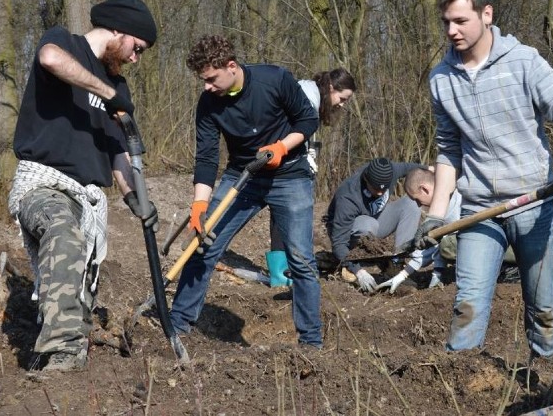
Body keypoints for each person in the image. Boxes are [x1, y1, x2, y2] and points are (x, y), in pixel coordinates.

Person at [417, 0, 553, 357]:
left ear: (487, 15)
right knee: (467, 305)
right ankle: (459, 384)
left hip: (533, 203)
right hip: (479, 209)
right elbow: (449, 150)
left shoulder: (523, 62)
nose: (451, 31)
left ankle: (543, 381)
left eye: (460, 21)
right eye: (446, 22)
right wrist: (435, 216)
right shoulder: (441, 80)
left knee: (543, 307)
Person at [7, 0, 159, 371]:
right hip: (43, 184)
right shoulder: (63, 42)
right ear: (118, 31)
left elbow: (117, 152)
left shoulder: (118, 88)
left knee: (82, 289)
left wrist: (135, 198)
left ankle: (71, 359)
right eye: (136, 48)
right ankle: (58, 353)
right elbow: (50, 59)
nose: (135, 59)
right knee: (62, 233)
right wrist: (107, 94)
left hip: (87, 198)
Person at [169, 35, 322, 348]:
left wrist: (282, 147)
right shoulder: (209, 104)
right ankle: (177, 327)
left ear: (231, 66)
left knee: (302, 260)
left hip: (290, 175)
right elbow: (207, 156)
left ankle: (310, 343)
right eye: (203, 81)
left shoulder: (274, 80)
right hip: (242, 176)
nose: (207, 87)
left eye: (211, 79)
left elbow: (308, 119)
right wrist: (200, 205)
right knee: (203, 245)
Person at [376, 167, 519, 293]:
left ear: (424, 189)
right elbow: (428, 249)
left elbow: (444, 245)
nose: (419, 205)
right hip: (489, 246)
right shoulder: (438, 214)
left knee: (448, 245)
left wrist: (438, 272)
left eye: (418, 200)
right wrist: (402, 276)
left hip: (509, 244)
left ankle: (510, 269)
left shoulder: (460, 199)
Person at [269, 69, 356, 252]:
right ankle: (289, 269)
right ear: (331, 88)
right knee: (291, 216)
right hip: (284, 162)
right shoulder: (308, 98)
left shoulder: (311, 94)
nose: (341, 105)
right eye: (342, 99)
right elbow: (295, 131)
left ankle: (281, 270)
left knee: (281, 215)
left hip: (286, 159)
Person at [325, 157, 423, 293]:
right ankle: (353, 264)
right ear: (366, 179)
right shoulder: (348, 196)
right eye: (375, 188)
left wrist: (432, 170)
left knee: (412, 204)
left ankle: (396, 264)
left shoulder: (390, 170)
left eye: (383, 190)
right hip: (349, 232)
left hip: (377, 221)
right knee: (368, 223)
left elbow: (414, 168)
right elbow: (338, 242)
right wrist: (359, 272)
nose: (379, 193)